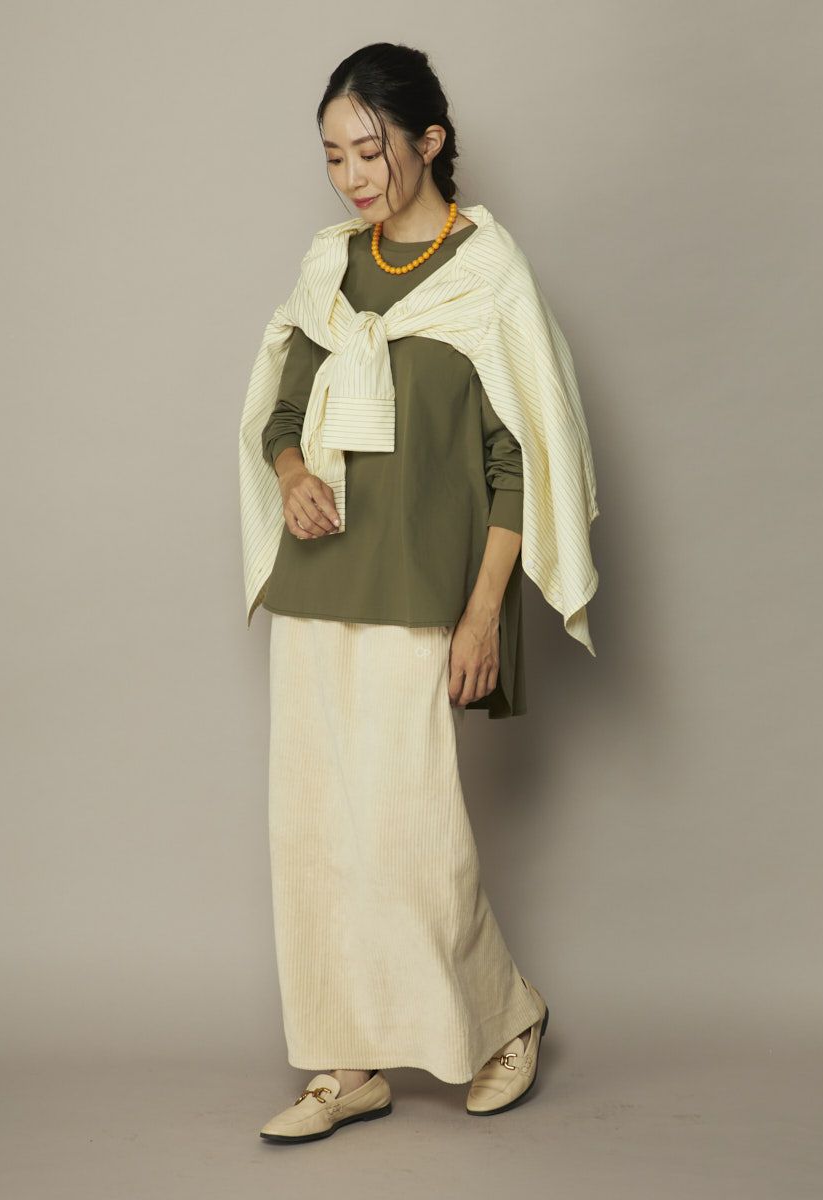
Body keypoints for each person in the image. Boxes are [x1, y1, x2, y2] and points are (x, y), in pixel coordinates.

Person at [238, 42, 599, 1144]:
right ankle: (345, 1064)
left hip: (422, 592)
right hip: (316, 583)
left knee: (409, 835)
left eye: (370, 150)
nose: (351, 177)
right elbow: (281, 413)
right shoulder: (330, 267)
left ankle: (504, 1017)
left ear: (428, 140)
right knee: (314, 835)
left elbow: (518, 460)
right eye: (332, 156)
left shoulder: (487, 276)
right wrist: (292, 476)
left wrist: (483, 612)